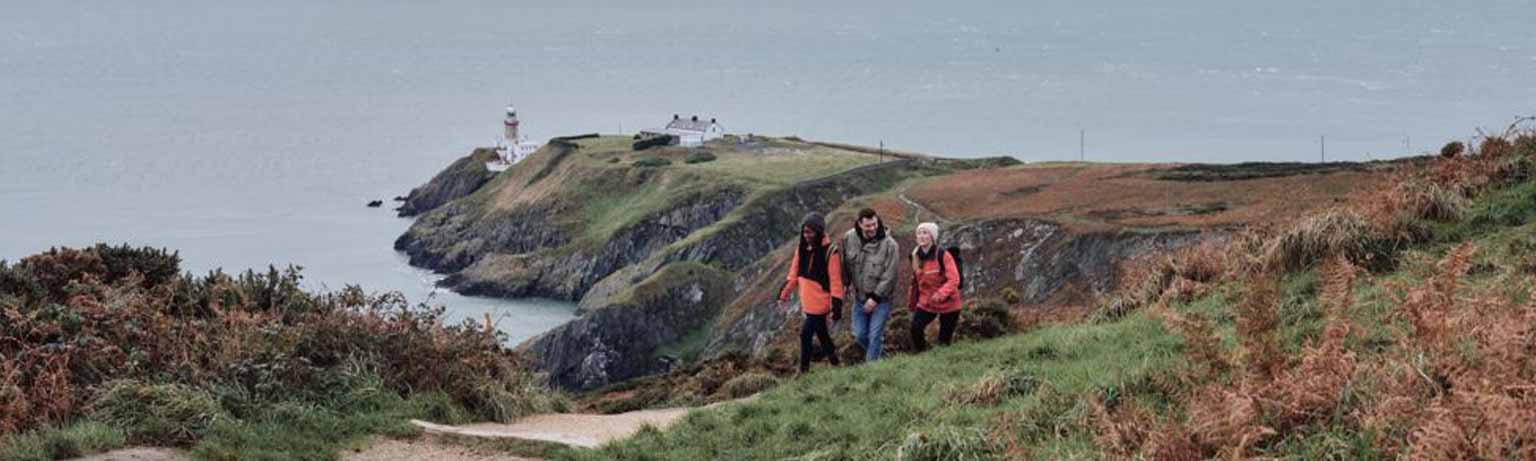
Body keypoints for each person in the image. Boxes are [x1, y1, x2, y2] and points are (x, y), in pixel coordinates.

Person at [779, 212, 845, 373]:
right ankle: (836, 363)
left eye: (810, 232)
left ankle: (804, 372)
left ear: (819, 232)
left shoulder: (831, 251)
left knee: (805, 334)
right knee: (822, 334)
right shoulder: (801, 249)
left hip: (821, 304)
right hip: (807, 303)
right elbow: (793, 275)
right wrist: (783, 296)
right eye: (804, 231)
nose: (806, 235)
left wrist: (836, 308)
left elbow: (836, 282)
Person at [840, 208, 899, 362]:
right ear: (859, 224)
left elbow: (890, 275)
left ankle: (870, 373)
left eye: (874, 224)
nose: (872, 228)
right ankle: (884, 359)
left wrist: (875, 298)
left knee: (874, 336)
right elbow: (845, 263)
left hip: (881, 300)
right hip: (859, 299)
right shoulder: (848, 238)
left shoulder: (890, 245)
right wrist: (845, 284)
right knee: (860, 336)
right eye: (868, 226)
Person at [908, 222, 961, 352]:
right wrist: (912, 303)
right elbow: (915, 283)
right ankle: (921, 358)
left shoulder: (943, 255)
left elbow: (954, 279)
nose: (921, 236)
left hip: (949, 304)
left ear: (932, 237)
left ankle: (942, 364)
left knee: (944, 342)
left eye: (925, 233)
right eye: (919, 233)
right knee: (915, 328)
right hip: (927, 303)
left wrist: (941, 294)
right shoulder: (915, 257)